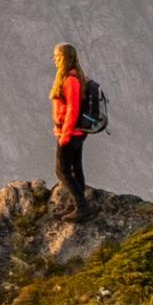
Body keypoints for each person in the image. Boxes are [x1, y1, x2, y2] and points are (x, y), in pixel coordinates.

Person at [51, 43, 92, 212]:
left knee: (62, 171)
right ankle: (78, 204)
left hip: (71, 132)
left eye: (56, 56)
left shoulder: (70, 80)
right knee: (76, 168)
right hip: (75, 132)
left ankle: (82, 207)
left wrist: (65, 135)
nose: (54, 59)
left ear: (64, 58)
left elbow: (73, 109)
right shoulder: (73, 78)